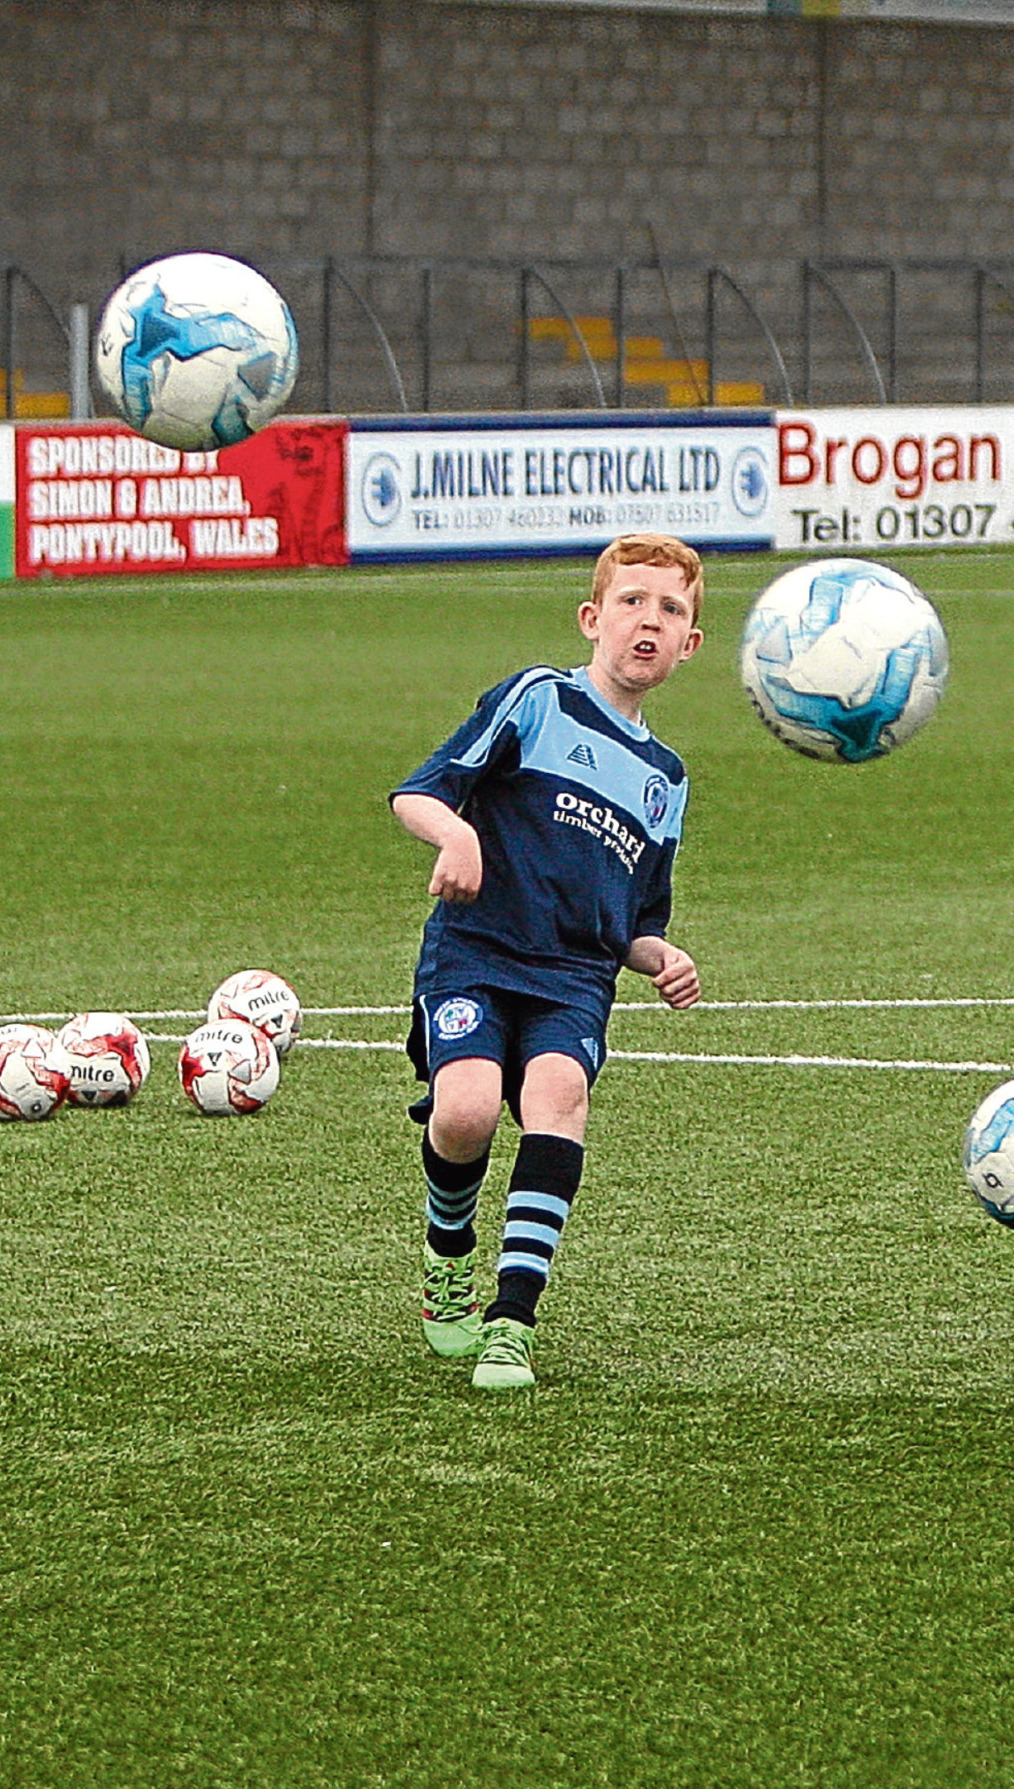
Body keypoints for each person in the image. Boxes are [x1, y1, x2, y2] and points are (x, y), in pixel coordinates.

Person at [390, 533, 705, 1390]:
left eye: (670, 610)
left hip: (573, 977)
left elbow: (634, 919)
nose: (649, 621)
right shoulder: (538, 699)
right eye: (632, 603)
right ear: (591, 618)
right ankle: (448, 1253)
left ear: (690, 644)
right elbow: (419, 791)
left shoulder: (666, 779)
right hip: (477, 949)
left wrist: (662, 955)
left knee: (558, 1093)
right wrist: (457, 831)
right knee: (464, 1114)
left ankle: (512, 1321)